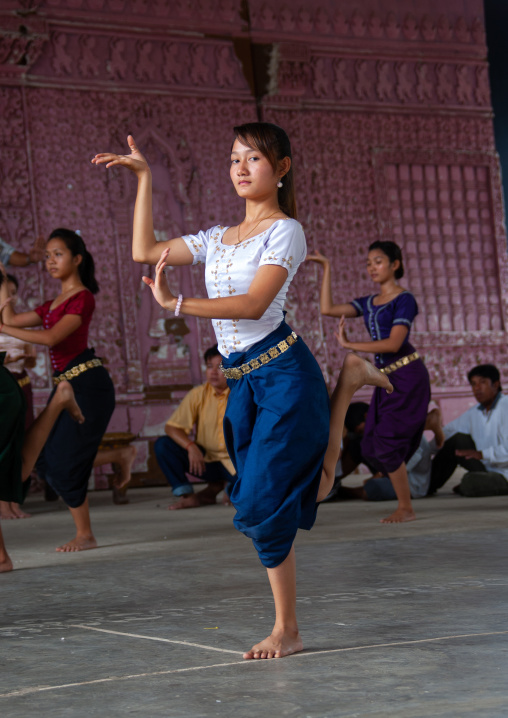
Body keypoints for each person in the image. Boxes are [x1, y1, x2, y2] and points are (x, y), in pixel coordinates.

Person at [92, 124, 392, 660]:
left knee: (256, 502)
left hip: (284, 374)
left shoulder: (286, 232)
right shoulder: (215, 238)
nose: (241, 167)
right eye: (234, 158)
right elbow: (145, 250)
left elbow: (254, 306)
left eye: (254, 158)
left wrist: (177, 306)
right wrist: (143, 178)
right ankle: (345, 388)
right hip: (242, 384)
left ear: (281, 168)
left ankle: (287, 629)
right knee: (272, 497)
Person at [0, 230, 115, 552]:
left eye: (58, 254)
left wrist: (3, 328)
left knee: (63, 462)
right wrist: (2, 279)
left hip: (88, 386)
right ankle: (118, 459)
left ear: (77, 259)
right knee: (44, 460)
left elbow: (51, 339)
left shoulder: (82, 297)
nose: (50, 261)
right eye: (48, 255)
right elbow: (12, 317)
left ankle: (85, 535)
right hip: (65, 385)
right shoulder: (52, 304)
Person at [307, 240, 431, 524]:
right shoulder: (369, 302)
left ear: (394, 265)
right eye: (368, 263)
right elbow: (328, 309)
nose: (371, 267)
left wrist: (351, 344)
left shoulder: (404, 299)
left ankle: (406, 507)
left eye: (377, 261)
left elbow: (394, 343)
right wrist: (327, 267)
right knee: (372, 439)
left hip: (408, 375)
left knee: (387, 441)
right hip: (383, 377)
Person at [154, 344, 236, 510]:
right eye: (209, 366)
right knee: (163, 445)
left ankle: (221, 489)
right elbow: (172, 427)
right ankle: (189, 495)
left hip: (237, 463)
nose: (213, 372)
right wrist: (191, 447)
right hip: (206, 460)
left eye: (220, 367)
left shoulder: (241, 392)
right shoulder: (198, 394)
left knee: (238, 496)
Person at [332, 405, 444, 501]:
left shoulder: (395, 425)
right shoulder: (377, 428)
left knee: (372, 488)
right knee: (357, 445)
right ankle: (332, 482)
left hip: (411, 482)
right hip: (389, 469)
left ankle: (346, 492)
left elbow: (409, 461)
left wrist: (378, 475)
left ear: (367, 416)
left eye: (361, 430)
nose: (363, 433)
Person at [428, 364, 508, 497]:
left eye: (482, 382)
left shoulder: (505, 406)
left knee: (470, 483)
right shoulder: (475, 412)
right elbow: (446, 433)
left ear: (496, 384)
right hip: (484, 469)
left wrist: (482, 454)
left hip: (504, 474)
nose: (477, 388)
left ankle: (477, 484)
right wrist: (419, 451)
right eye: (473, 384)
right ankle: (424, 486)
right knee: (457, 440)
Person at [0, 274, 37, 519]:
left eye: (12, 292)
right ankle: (4, 504)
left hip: (19, 383)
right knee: (4, 446)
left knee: (21, 440)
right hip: (4, 384)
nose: (9, 297)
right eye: (5, 291)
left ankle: (13, 501)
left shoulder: (18, 323)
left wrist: (24, 356)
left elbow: (32, 358)